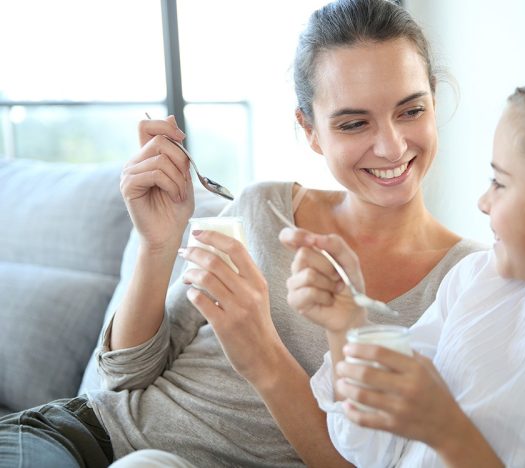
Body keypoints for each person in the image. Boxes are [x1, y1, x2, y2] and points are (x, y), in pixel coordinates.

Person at [0, 0, 483, 466]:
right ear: (310, 130)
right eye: (354, 123)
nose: (391, 145)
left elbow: (378, 461)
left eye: (411, 111)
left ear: (434, 101)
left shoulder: (470, 284)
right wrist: (158, 245)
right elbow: (126, 375)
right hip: (81, 438)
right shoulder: (261, 207)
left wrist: (261, 350)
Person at [283, 59, 525, 467]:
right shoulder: (477, 280)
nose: (483, 203)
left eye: (500, 183)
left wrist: (448, 431)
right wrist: (345, 326)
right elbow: (370, 447)